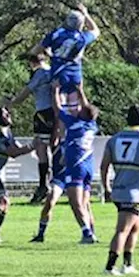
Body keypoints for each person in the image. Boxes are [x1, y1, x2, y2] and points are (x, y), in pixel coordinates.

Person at [102, 105, 139, 276]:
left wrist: (107, 187)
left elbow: (104, 166)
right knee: (123, 229)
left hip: (118, 189)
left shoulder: (114, 139)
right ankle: (110, 267)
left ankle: (127, 264)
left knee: (136, 226)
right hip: (133, 192)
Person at [32, 104, 99, 244]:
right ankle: (40, 233)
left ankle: (90, 232)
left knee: (84, 203)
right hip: (61, 177)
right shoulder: (61, 140)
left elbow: (61, 117)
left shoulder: (72, 135)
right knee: (50, 201)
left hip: (73, 172)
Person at [4, 50, 56, 203]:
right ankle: (52, 183)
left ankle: (43, 186)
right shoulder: (53, 70)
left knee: (41, 147)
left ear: (32, 62)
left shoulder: (39, 74)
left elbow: (25, 94)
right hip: (55, 112)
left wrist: (10, 103)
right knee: (52, 146)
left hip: (43, 113)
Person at [0, 106, 34, 243]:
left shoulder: (7, 131)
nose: (9, 114)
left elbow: (18, 149)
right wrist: (34, 146)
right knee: (2, 201)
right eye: (5, 114)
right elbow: (13, 152)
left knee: (5, 203)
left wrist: (34, 147)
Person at [37, 4, 99, 110]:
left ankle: (60, 124)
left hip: (59, 73)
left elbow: (36, 50)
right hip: (75, 74)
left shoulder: (56, 34)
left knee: (60, 106)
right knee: (75, 107)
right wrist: (86, 14)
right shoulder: (82, 38)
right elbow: (96, 31)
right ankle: (76, 125)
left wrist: (48, 56)